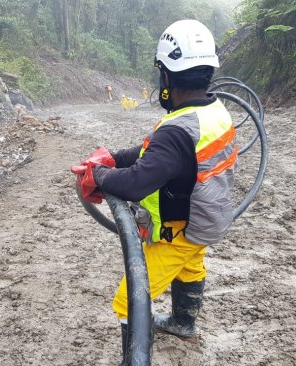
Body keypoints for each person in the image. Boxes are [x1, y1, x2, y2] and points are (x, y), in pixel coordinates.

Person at [72, 19, 236, 362]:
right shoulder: (212, 113)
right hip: (208, 221)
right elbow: (157, 156)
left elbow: (136, 183)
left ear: (166, 76)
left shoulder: (178, 129)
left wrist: (98, 175)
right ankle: (182, 322)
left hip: (181, 230)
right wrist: (113, 159)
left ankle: (136, 356)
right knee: (191, 268)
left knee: (127, 300)